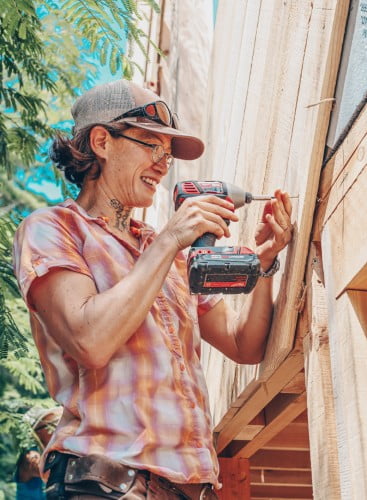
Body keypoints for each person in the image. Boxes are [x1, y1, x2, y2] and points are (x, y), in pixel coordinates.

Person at [13, 79, 293, 499]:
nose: (164, 163)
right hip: (105, 484)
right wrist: (169, 240)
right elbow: (89, 340)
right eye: (150, 144)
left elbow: (244, 345)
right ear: (102, 141)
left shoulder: (167, 254)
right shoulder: (53, 230)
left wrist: (263, 262)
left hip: (191, 488)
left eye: (167, 152)